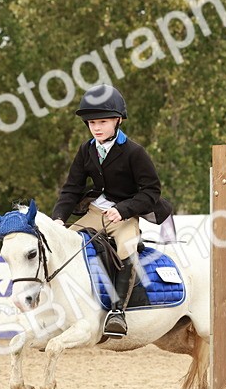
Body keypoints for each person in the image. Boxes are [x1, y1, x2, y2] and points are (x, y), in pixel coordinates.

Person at [51, 84, 174, 337]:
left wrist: (124, 209)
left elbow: (151, 192)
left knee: (126, 247)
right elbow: (72, 188)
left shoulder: (134, 152)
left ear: (118, 120)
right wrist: (58, 219)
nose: (96, 127)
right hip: (96, 211)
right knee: (64, 245)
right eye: (92, 122)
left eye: (103, 122)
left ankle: (117, 312)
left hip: (126, 214)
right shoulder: (86, 150)